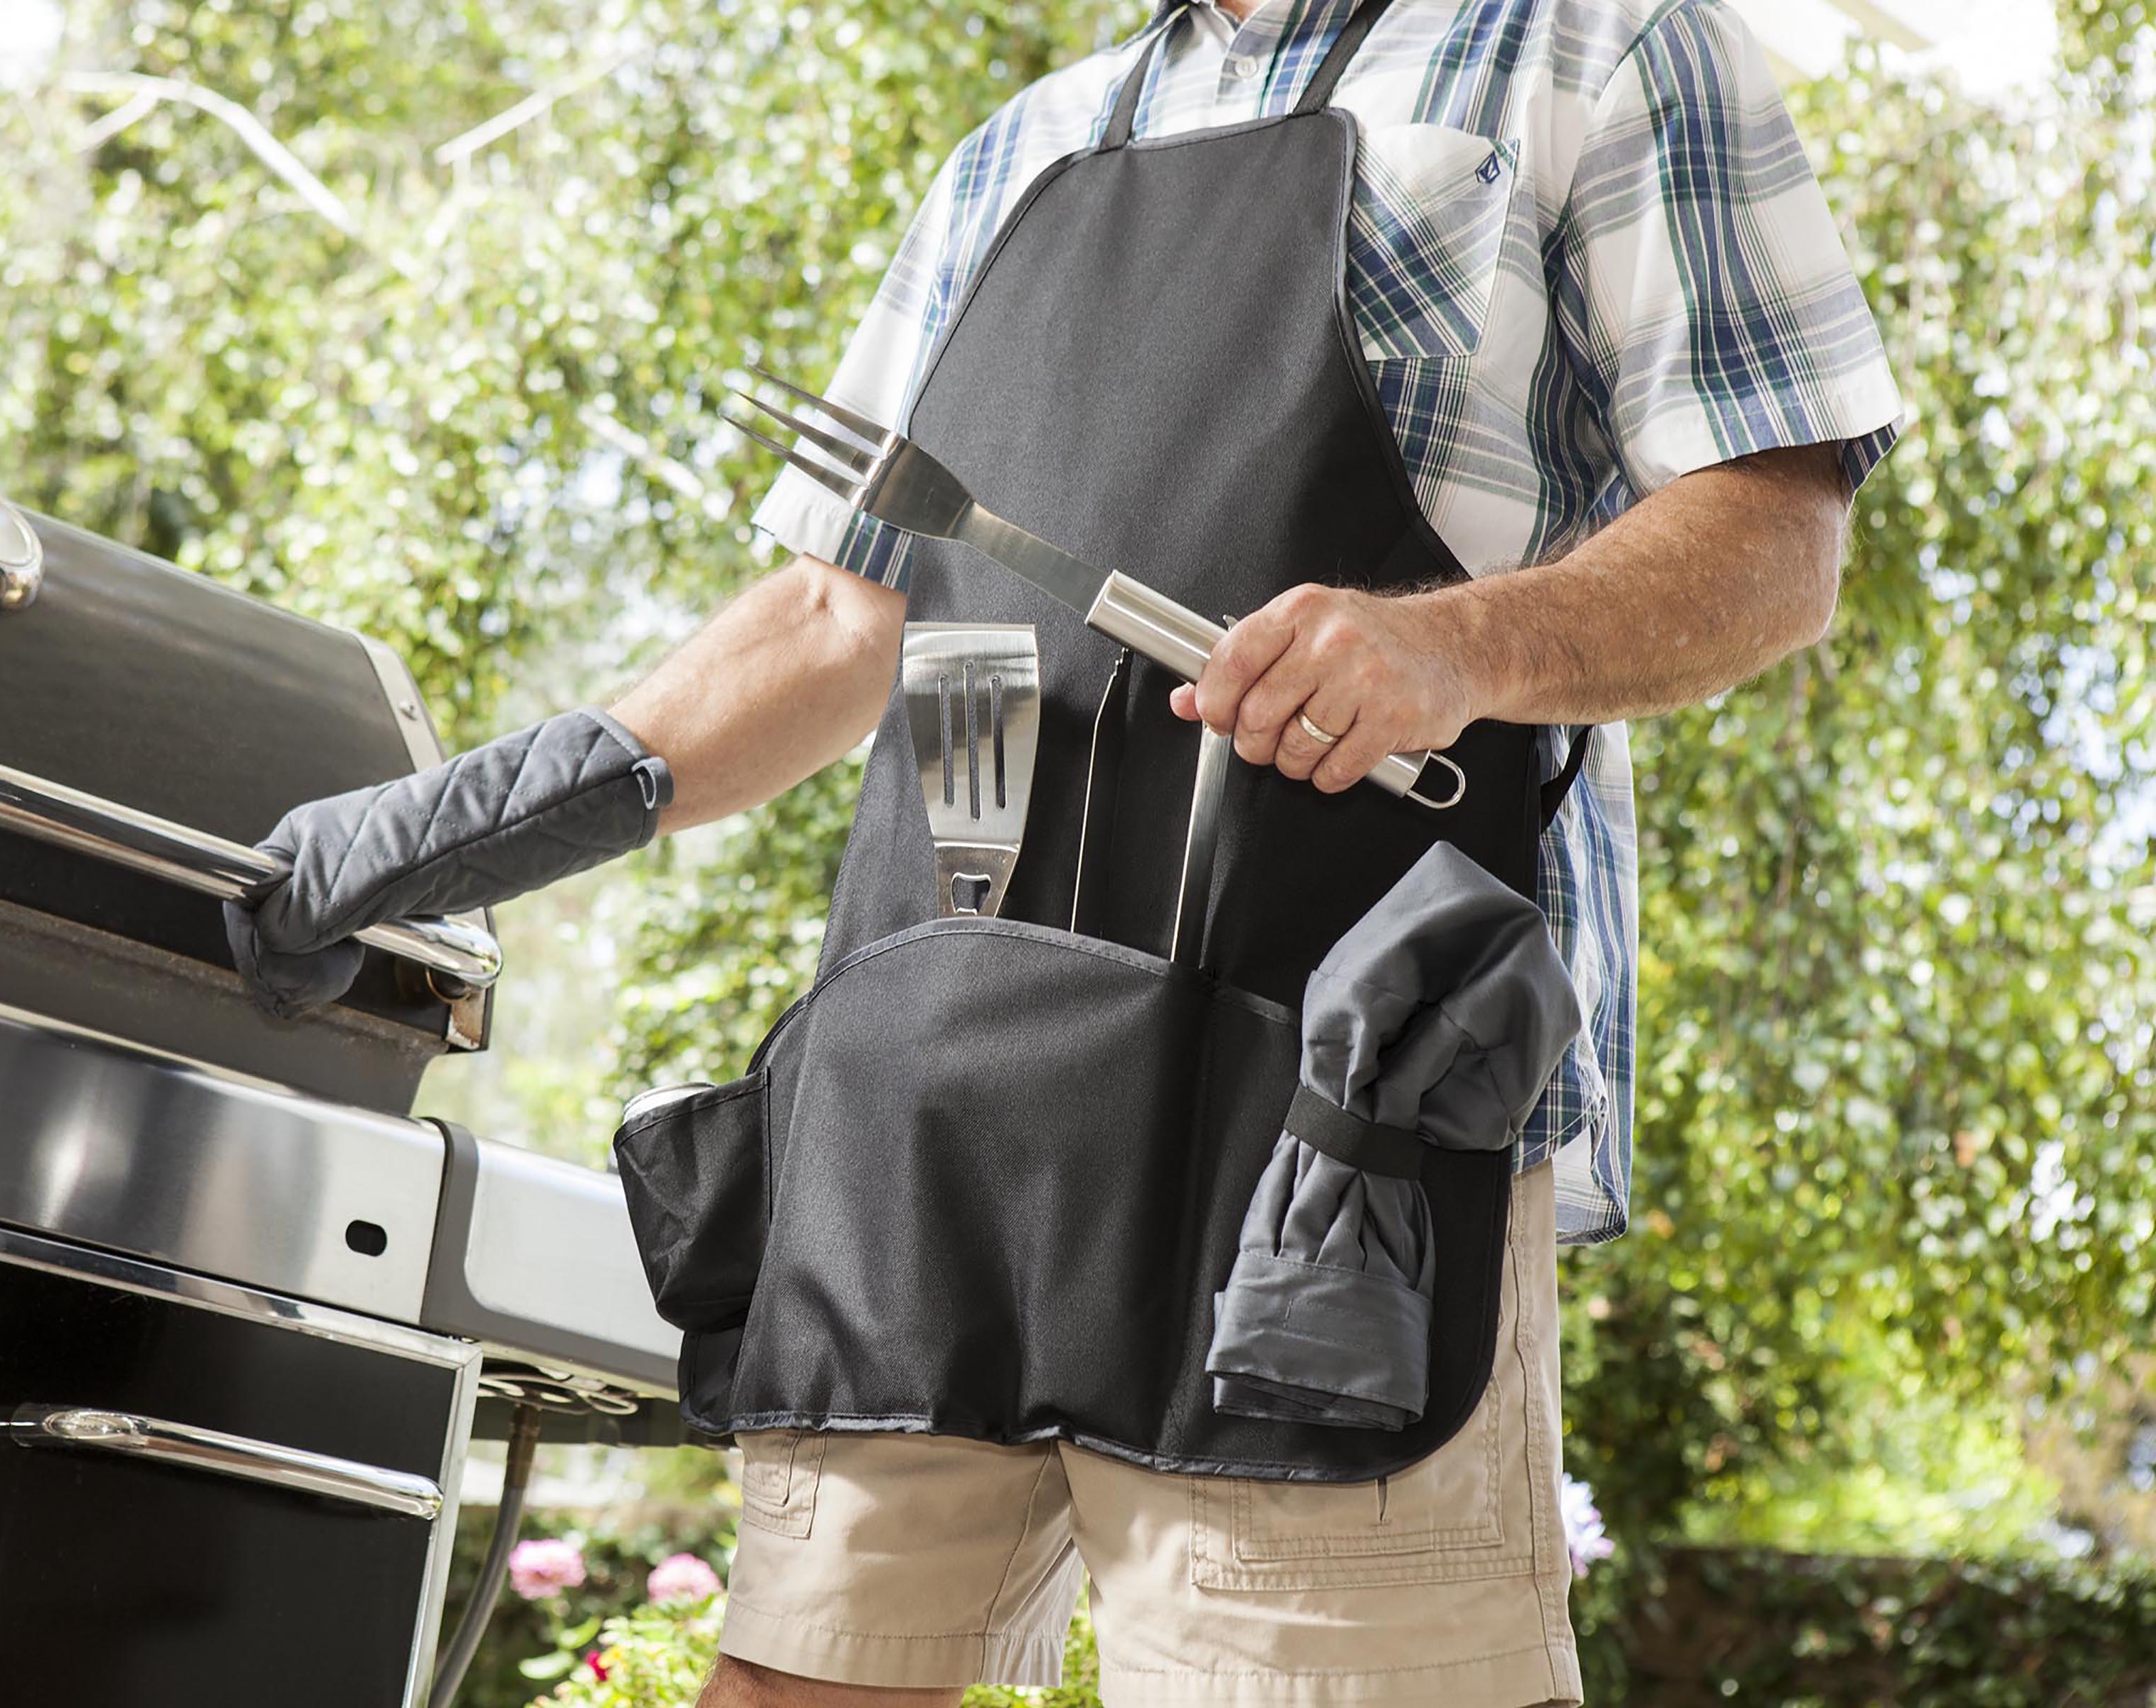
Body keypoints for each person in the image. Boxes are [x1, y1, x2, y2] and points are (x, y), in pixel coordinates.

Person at [226, 2, 1903, 1703]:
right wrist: (459, 825)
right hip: (926, 1119)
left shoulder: (1592, 53)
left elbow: (1775, 533)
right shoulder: (1028, 145)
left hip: (1320, 1129)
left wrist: (1455, 651)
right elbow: (837, 614)